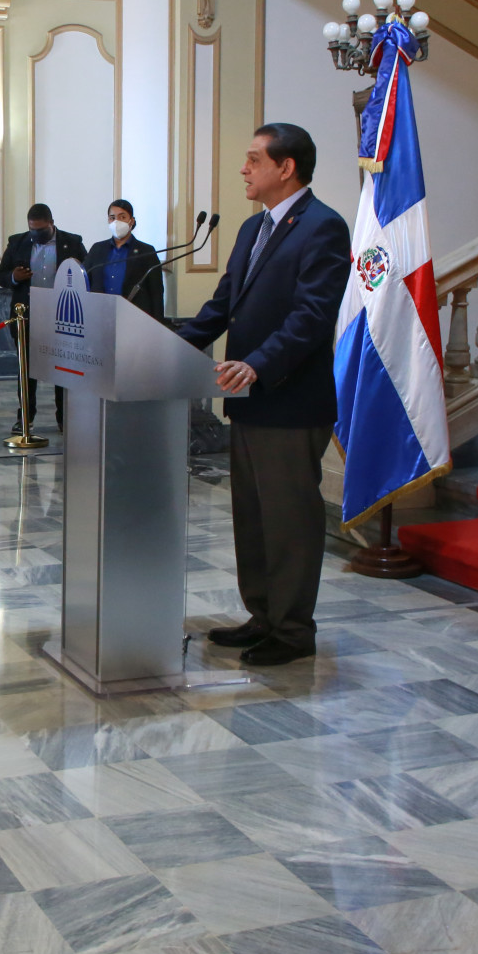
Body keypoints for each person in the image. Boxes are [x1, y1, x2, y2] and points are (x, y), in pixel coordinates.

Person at [175, 123, 350, 667]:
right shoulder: (255, 227)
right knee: (252, 517)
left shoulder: (323, 226)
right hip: (248, 398)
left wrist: (258, 364)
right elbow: (223, 302)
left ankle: (293, 631)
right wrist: (169, 346)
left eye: (254, 159)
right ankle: (262, 615)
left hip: (290, 400)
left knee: (288, 521)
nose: (244, 169)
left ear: (286, 167)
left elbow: (311, 317)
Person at [0, 203, 83, 433]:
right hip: (26, 314)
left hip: (62, 315)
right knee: (26, 369)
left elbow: (86, 274)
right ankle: (25, 416)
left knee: (63, 368)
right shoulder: (18, 242)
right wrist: (14, 277)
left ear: (51, 224)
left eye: (41, 230)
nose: (36, 234)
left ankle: (65, 417)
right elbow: (0, 275)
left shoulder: (72, 242)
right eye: (32, 230)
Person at [87, 199, 162, 320]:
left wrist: (157, 324)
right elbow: (85, 281)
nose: (116, 221)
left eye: (122, 217)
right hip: (100, 316)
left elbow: (156, 292)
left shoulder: (146, 251)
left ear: (131, 221)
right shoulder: (97, 249)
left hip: (134, 318)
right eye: (112, 217)